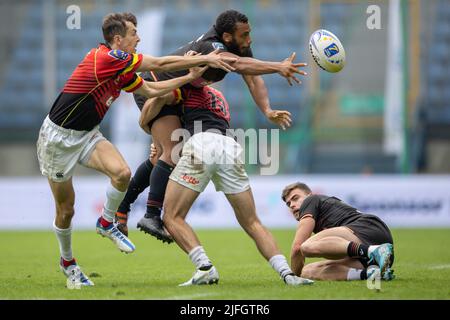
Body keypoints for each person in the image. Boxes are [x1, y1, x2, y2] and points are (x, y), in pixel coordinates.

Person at [36, 12, 236, 288]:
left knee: (122, 173)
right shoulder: (108, 58)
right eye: (133, 33)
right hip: (57, 140)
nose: (138, 37)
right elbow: (159, 63)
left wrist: (188, 77)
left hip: (87, 135)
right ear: (118, 39)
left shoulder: (121, 70)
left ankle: (107, 222)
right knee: (66, 210)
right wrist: (203, 59)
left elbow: (151, 89)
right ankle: (68, 262)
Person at [115, 9, 307, 242]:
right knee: (172, 151)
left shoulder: (238, 45)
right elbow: (237, 64)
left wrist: (266, 110)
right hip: (157, 86)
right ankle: (151, 215)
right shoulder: (211, 46)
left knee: (160, 158)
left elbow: (253, 78)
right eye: (244, 35)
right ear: (227, 37)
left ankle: (123, 207)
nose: (249, 39)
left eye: (249, 33)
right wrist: (278, 67)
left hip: (179, 92)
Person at [144, 74, 313, 286]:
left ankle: (204, 267)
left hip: (202, 143)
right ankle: (288, 274)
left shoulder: (183, 87)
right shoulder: (218, 95)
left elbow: (154, 104)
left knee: (171, 217)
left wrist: (150, 129)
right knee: (252, 222)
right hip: (229, 146)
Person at [281, 182, 395, 281]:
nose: (292, 205)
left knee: (306, 247)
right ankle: (372, 274)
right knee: (307, 271)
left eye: (295, 198)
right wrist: (298, 276)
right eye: (288, 204)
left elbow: (297, 248)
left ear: (309, 195)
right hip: (371, 255)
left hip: (368, 228)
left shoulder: (311, 200)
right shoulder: (322, 209)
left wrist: (292, 277)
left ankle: (373, 250)